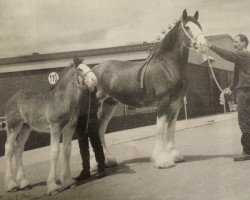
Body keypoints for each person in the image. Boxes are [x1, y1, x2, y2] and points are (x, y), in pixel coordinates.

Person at [205, 34, 250, 161]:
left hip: (244, 93)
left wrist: (210, 46)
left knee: (245, 121)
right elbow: (242, 76)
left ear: (244, 43)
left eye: (236, 42)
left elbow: (227, 55)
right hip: (246, 90)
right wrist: (230, 87)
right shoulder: (245, 58)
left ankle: (248, 151)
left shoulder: (243, 55)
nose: (234, 44)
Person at [74, 85, 106, 182]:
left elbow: (97, 98)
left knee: (96, 145)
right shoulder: (74, 89)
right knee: (83, 147)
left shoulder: (91, 88)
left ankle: (101, 168)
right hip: (79, 120)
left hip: (91, 118)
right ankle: (86, 170)